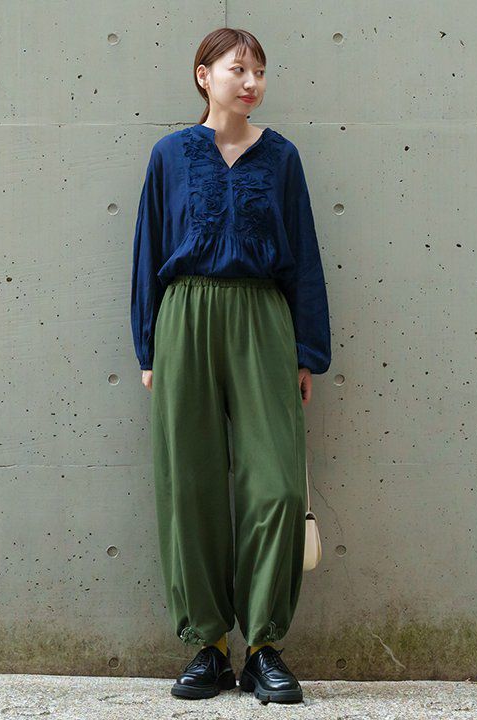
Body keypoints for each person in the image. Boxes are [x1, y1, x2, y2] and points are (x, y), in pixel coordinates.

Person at [130, 27, 331, 704]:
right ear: (203, 75)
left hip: (263, 318)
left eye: (260, 72)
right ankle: (209, 646)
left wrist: (307, 350)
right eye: (238, 69)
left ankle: (265, 646)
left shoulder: (281, 158)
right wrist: (148, 347)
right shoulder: (170, 155)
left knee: (277, 487)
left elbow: (303, 254)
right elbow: (147, 248)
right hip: (184, 318)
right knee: (189, 482)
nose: (251, 83)